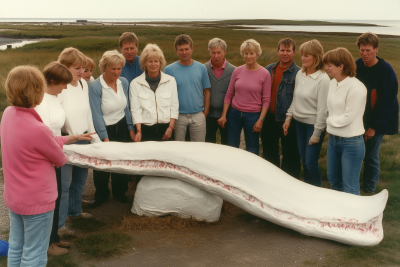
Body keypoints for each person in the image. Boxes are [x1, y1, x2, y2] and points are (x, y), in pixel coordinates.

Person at [1, 66, 92, 266]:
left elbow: (43, 142)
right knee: (35, 253)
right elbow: (60, 159)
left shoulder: (8, 114)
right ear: (36, 91)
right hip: (37, 202)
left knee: (17, 246)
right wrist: (63, 145)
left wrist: (70, 138)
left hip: (15, 197)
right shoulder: (38, 128)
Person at [57, 47, 101, 235]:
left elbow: (88, 112)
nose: (82, 71)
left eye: (83, 68)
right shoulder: (61, 87)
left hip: (84, 139)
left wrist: (94, 137)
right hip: (67, 141)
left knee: (80, 181)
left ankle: (75, 212)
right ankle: (59, 226)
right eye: (77, 68)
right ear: (64, 67)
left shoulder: (83, 84)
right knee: (64, 186)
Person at [89, 50, 136, 208]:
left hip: (121, 125)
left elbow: (127, 108)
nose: (117, 72)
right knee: (102, 162)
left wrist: (130, 127)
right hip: (104, 128)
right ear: (104, 68)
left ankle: (119, 192)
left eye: (119, 68)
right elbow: (96, 114)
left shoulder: (124, 82)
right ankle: (101, 194)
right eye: (113, 69)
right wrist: (105, 137)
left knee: (120, 160)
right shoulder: (96, 86)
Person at [355, 32, 399, 194]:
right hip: (359, 118)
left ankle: (369, 188)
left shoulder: (385, 70)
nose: (364, 54)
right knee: (358, 153)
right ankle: (354, 185)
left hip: (378, 119)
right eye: (362, 50)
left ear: (376, 49)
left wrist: (373, 127)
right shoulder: (357, 66)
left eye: (368, 50)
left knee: (371, 155)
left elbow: (387, 103)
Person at [283, 39, 330, 187]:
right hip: (299, 124)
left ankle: (316, 192)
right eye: (302, 55)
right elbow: (295, 98)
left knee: (310, 162)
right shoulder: (300, 74)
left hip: (313, 126)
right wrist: (288, 117)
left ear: (316, 57)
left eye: (306, 56)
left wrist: (316, 133)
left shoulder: (323, 79)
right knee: (304, 159)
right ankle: (308, 189)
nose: (302, 58)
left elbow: (323, 109)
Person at [324, 48, 367, 195]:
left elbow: (348, 117)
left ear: (341, 66)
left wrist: (328, 121)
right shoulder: (332, 83)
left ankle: (355, 218)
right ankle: (339, 215)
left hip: (351, 143)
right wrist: (331, 123)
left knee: (350, 186)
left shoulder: (356, 87)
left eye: (329, 65)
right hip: (333, 141)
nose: (326, 68)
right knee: (334, 181)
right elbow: (330, 109)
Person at [218, 39, 271, 156]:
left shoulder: (265, 73)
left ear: (257, 54)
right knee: (232, 147)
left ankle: (250, 172)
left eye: (251, 53)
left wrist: (260, 120)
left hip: (253, 115)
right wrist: (223, 115)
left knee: (252, 148)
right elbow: (229, 93)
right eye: (246, 53)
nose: (248, 56)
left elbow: (266, 99)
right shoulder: (237, 71)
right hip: (234, 114)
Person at [261, 38, 301, 178]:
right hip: (269, 118)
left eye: (288, 50)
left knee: (290, 153)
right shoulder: (268, 69)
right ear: (277, 51)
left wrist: (289, 119)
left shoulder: (299, 73)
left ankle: (289, 181)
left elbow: (298, 98)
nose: (285, 53)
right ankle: (272, 178)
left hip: (288, 120)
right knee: (269, 151)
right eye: (282, 50)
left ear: (294, 52)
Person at [164, 34, 211, 142]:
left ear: (192, 49)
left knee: (199, 146)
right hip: (178, 116)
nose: (184, 52)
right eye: (181, 50)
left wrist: (205, 112)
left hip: (198, 114)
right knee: (178, 147)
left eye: (186, 49)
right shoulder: (168, 70)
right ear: (176, 51)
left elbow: (206, 92)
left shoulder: (201, 68)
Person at [130, 44, 179, 141]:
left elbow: (174, 106)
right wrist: (139, 131)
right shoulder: (135, 83)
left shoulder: (171, 81)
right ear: (145, 63)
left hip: (166, 128)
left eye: (156, 61)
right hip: (145, 129)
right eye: (150, 61)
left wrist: (171, 127)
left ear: (160, 63)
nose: (153, 64)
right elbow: (136, 110)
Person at [204, 38, 235, 145]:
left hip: (226, 115)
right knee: (208, 144)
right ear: (209, 52)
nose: (216, 56)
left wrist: (225, 114)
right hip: (208, 115)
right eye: (213, 53)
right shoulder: (203, 69)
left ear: (224, 52)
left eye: (219, 53)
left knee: (226, 144)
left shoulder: (233, 70)